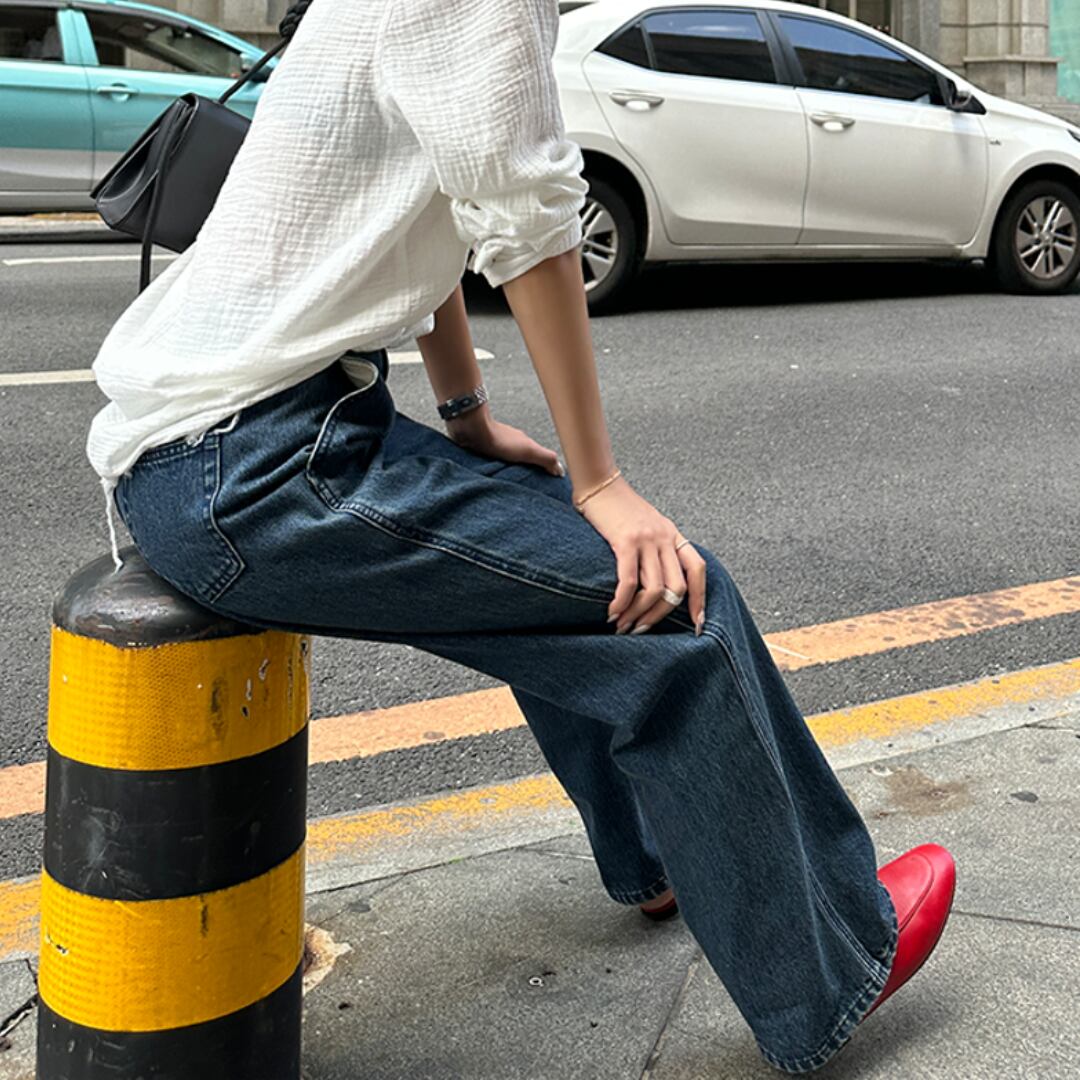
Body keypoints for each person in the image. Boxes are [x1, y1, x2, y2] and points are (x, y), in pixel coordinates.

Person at [84, 0, 955, 1072]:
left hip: (251, 444)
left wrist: (467, 418)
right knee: (676, 600)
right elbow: (528, 224)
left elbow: (433, 198)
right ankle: (835, 965)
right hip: (258, 468)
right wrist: (602, 482)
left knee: (558, 553)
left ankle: (658, 857)